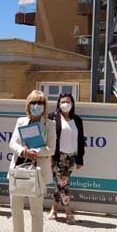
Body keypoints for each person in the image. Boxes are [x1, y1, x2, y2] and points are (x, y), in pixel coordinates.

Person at [6, 89, 57, 232]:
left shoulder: (50, 124)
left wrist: (35, 151)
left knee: (36, 210)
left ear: (45, 106)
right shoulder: (21, 121)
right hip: (19, 169)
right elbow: (12, 143)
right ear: (28, 105)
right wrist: (23, 151)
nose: (37, 106)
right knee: (15, 207)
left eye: (40, 103)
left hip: (38, 172)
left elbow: (51, 149)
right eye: (34, 102)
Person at [47, 93, 84, 224]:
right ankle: (68, 211)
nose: (65, 104)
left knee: (60, 184)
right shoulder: (52, 117)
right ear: (58, 103)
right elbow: (48, 136)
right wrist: (49, 154)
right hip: (57, 156)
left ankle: (54, 209)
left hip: (71, 157)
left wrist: (80, 159)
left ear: (72, 104)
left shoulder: (77, 120)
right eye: (63, 101)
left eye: (68, 102)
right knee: (63, 184)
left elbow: (80, 140)